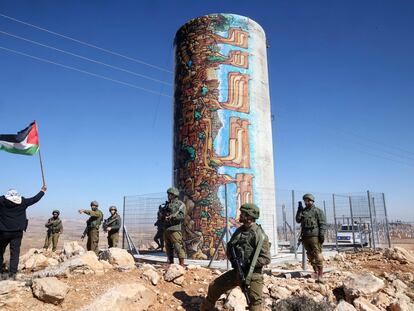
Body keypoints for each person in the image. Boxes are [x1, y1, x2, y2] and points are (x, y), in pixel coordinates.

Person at [200, 203, 271, 311]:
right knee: (215, 286)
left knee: (254, 303)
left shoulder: (259, 235)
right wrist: (233, 259)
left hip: (252, 275)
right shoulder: (240, 230)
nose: (240, 215)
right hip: (237, 271)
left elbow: (266, 258)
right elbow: (230, 246)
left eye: (243, 213)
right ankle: (205, 309)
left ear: (249, 216)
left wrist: (247, 263)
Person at [0, 186, 47, 279]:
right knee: (15, 252)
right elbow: (35, 199)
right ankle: (12, 274)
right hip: (17, 232)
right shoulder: (22, 201)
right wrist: (42, 191)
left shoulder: (1, 201)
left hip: (3, 231)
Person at [296, 193, 326, 283]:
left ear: (312, 201)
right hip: (305, 236)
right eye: (305, 201)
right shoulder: (303, 211)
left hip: (314, 236)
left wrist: (321, 234)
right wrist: (299, 210)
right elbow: (298, 220)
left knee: (317, 255)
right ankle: (316, 272)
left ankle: (320, 275)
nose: (306, 202)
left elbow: (322, 224)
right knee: (310, 255)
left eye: (308, 200)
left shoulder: (317, 211)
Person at [163, 187, 186, 266]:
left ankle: (181, 264)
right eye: (168, 194)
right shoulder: (166, 205)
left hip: (175, 229)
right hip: (166, 229)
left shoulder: (180, 205)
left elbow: (182, 216)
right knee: (168, 247)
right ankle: (171, 263)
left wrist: (172, 217)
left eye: (170, 194)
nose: (168, 196)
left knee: (177, 246)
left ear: (174, 195)